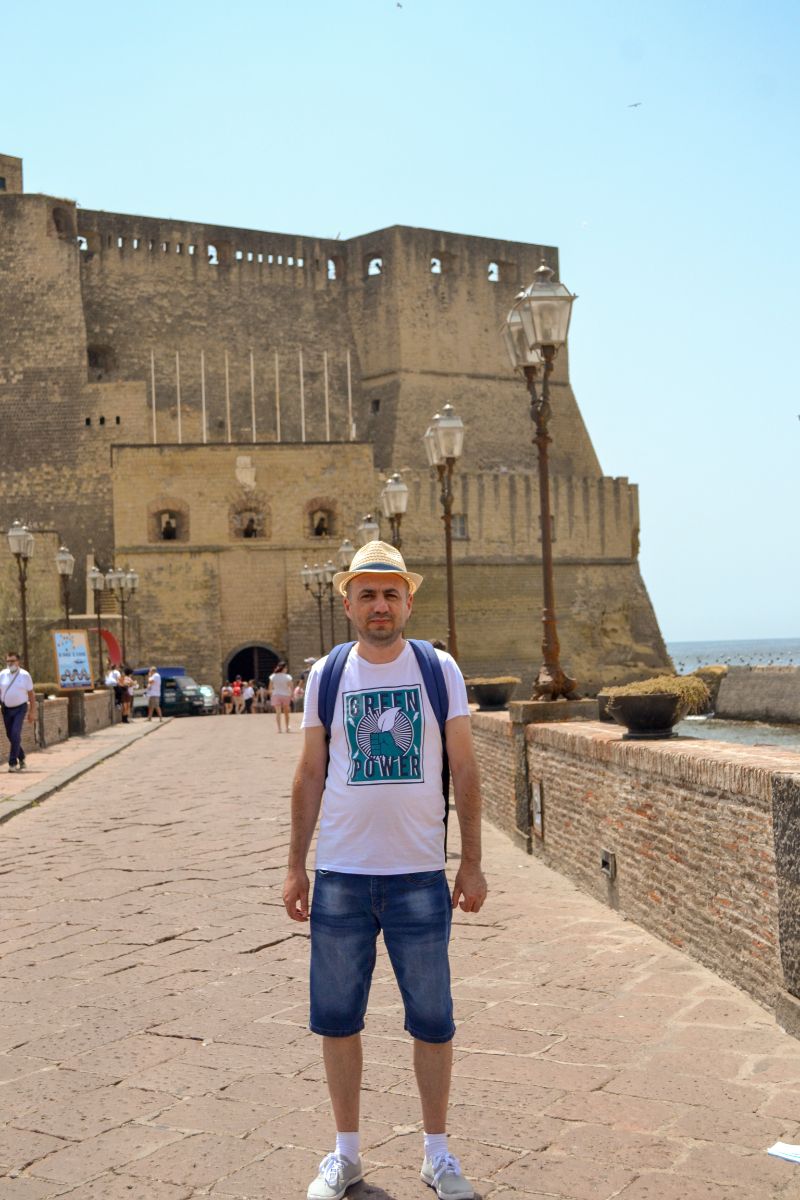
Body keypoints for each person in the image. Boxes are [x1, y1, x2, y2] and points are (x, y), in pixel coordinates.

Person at [283, 542, 487, 1200]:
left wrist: (472, 862)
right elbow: (310, 773)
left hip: (419, 876)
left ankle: (437, 1153)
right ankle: (346, 1154)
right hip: (341, 874)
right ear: (348, 603)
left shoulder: (438, 668)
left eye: (390, 594)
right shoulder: (328, 674)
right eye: (367, 594)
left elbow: (465, 767)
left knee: (433, 1019)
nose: (379, 605)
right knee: (337, 1018)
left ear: (408, 602)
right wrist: (295, 866)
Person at [0, 651, 36, 773]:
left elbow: (31, 695)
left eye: (12, 661)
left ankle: (12, 763)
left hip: (20, 708)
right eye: (8, 661)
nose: (10, 663)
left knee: (15, 733)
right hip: (6, 709)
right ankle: (21, 756)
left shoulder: (25, 675)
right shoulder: (2, 675)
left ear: (18, 661)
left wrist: (32, 711)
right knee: (10, 735)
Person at [269, 661, 293, 732]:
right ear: (284, 668)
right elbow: (291, 687)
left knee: (278, 713)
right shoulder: (288, 677)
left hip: (276, 694)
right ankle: (287, 728)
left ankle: (279, 729)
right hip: (286, 695)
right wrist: (291, 695)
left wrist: (272, 695)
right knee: (286, 713)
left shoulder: (273, 676)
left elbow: (270, 688)